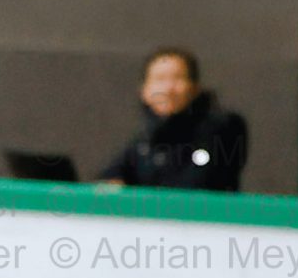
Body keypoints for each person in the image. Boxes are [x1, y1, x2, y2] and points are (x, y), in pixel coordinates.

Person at [96, 48, 248, 191]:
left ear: (195, 88)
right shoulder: (143, 143)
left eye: (178, 78)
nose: (168, 89)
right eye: (159, 79)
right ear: (144, 91)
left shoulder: (222, 128)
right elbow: (110, 178)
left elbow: (201, 181)